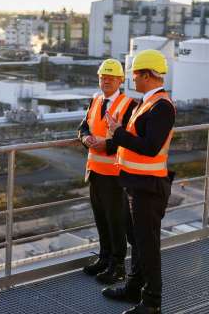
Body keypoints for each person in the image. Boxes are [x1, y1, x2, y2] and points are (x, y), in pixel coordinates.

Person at [102, 49, 176, 314]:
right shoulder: (146, 103)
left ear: (147, 75)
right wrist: (118, 133)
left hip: (148, 186)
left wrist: (118, 133)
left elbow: (151, 147)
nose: (132, 78)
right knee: (136, 240)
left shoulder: (161, 106)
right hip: (134, 183)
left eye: (134, 73)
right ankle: (134, 287)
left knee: (148, 245)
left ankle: (152, 302)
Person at [78, 59, 137, 284]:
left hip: (115, 175)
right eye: (103, 78)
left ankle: (118, 266)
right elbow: (83, 126)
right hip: (95, 172)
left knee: (116, 222)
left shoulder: (128, 104)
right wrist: (85, 138)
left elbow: (130, 139)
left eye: (111, 78)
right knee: (101, 219)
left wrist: (108, 145)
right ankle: (104, 259)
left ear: (121, 80)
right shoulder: (95, 99)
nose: (106, 82)